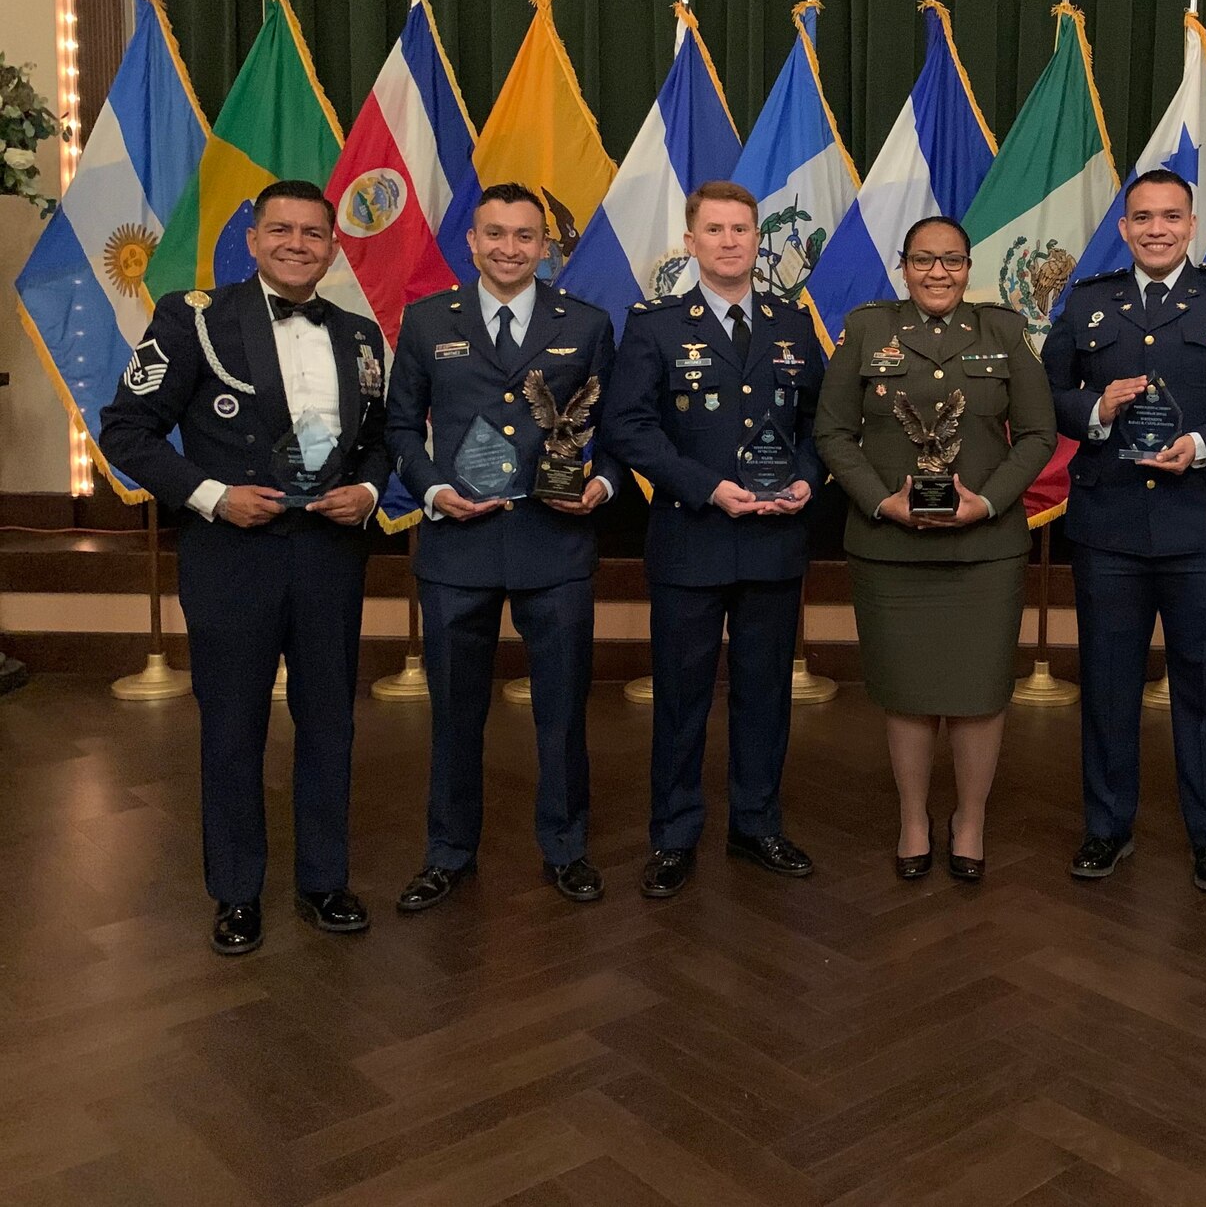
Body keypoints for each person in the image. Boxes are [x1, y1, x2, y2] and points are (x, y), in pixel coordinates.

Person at [101, 180, 389, 956]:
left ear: (335, 246)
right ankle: (235, 893)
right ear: (253, 240)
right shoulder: (195, 320)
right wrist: (211, 496)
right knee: (233, 726)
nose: (298, 244)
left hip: (329, 556)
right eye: (281, 231)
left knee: (331, 722)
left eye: (314, 234)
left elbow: (381, 441)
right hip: (233, 558)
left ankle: (324, 881)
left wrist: (366, 491)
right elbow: (125, 431)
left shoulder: (362, 335)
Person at [1042, 169, 1206, 894]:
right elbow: (1049, 390)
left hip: (1204, 522)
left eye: (1171, 217)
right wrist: (1095, 410)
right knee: (1108, 685)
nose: (1157, 229)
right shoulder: (1089, 301)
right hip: (1109, 525)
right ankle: (1106, 828)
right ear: (1123, 229)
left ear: (1192, 225)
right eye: (1143, 218)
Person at [386, 182, 623, 911]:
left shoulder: (584, 322)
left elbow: (616, 429)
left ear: (545, 246)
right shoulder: (428, 321)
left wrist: (603, 486)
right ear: (472, 241)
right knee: (455, 712)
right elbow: (398, 428)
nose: (510, 248)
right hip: (458, 543)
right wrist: (430, 490)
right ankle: (449, 851)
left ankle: (566, 847)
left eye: (525, 236)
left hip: (554, 543)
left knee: (561, 710)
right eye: (495, 234)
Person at [601, 181, 824, 897]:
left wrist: (808, 483)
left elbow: (820, 425)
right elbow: (628, 426)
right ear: (691, 241)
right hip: (690, 537)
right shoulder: (656, 325)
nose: (731, 241)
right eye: (716, 229)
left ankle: (757, 825)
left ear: (759, 241)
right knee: (682, 697)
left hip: (773, 540)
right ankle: (673, 835)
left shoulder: (793, 324)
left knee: (765, 696)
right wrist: (704, 486)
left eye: (742, 229)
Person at [815, 216, 1055, 881]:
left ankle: (970, 820)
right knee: (908, 693)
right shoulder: (867, 329)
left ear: (969, 267)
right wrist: (878, 499)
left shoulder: (1003, 331)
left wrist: (989, 501)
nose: (938, 273)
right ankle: (914, 818)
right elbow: (831, 433)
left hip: (985, 548)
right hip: (891, 545)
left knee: (979, 694)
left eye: (951, 260)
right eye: (924, 260)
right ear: (904, 266)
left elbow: (1038, 433)